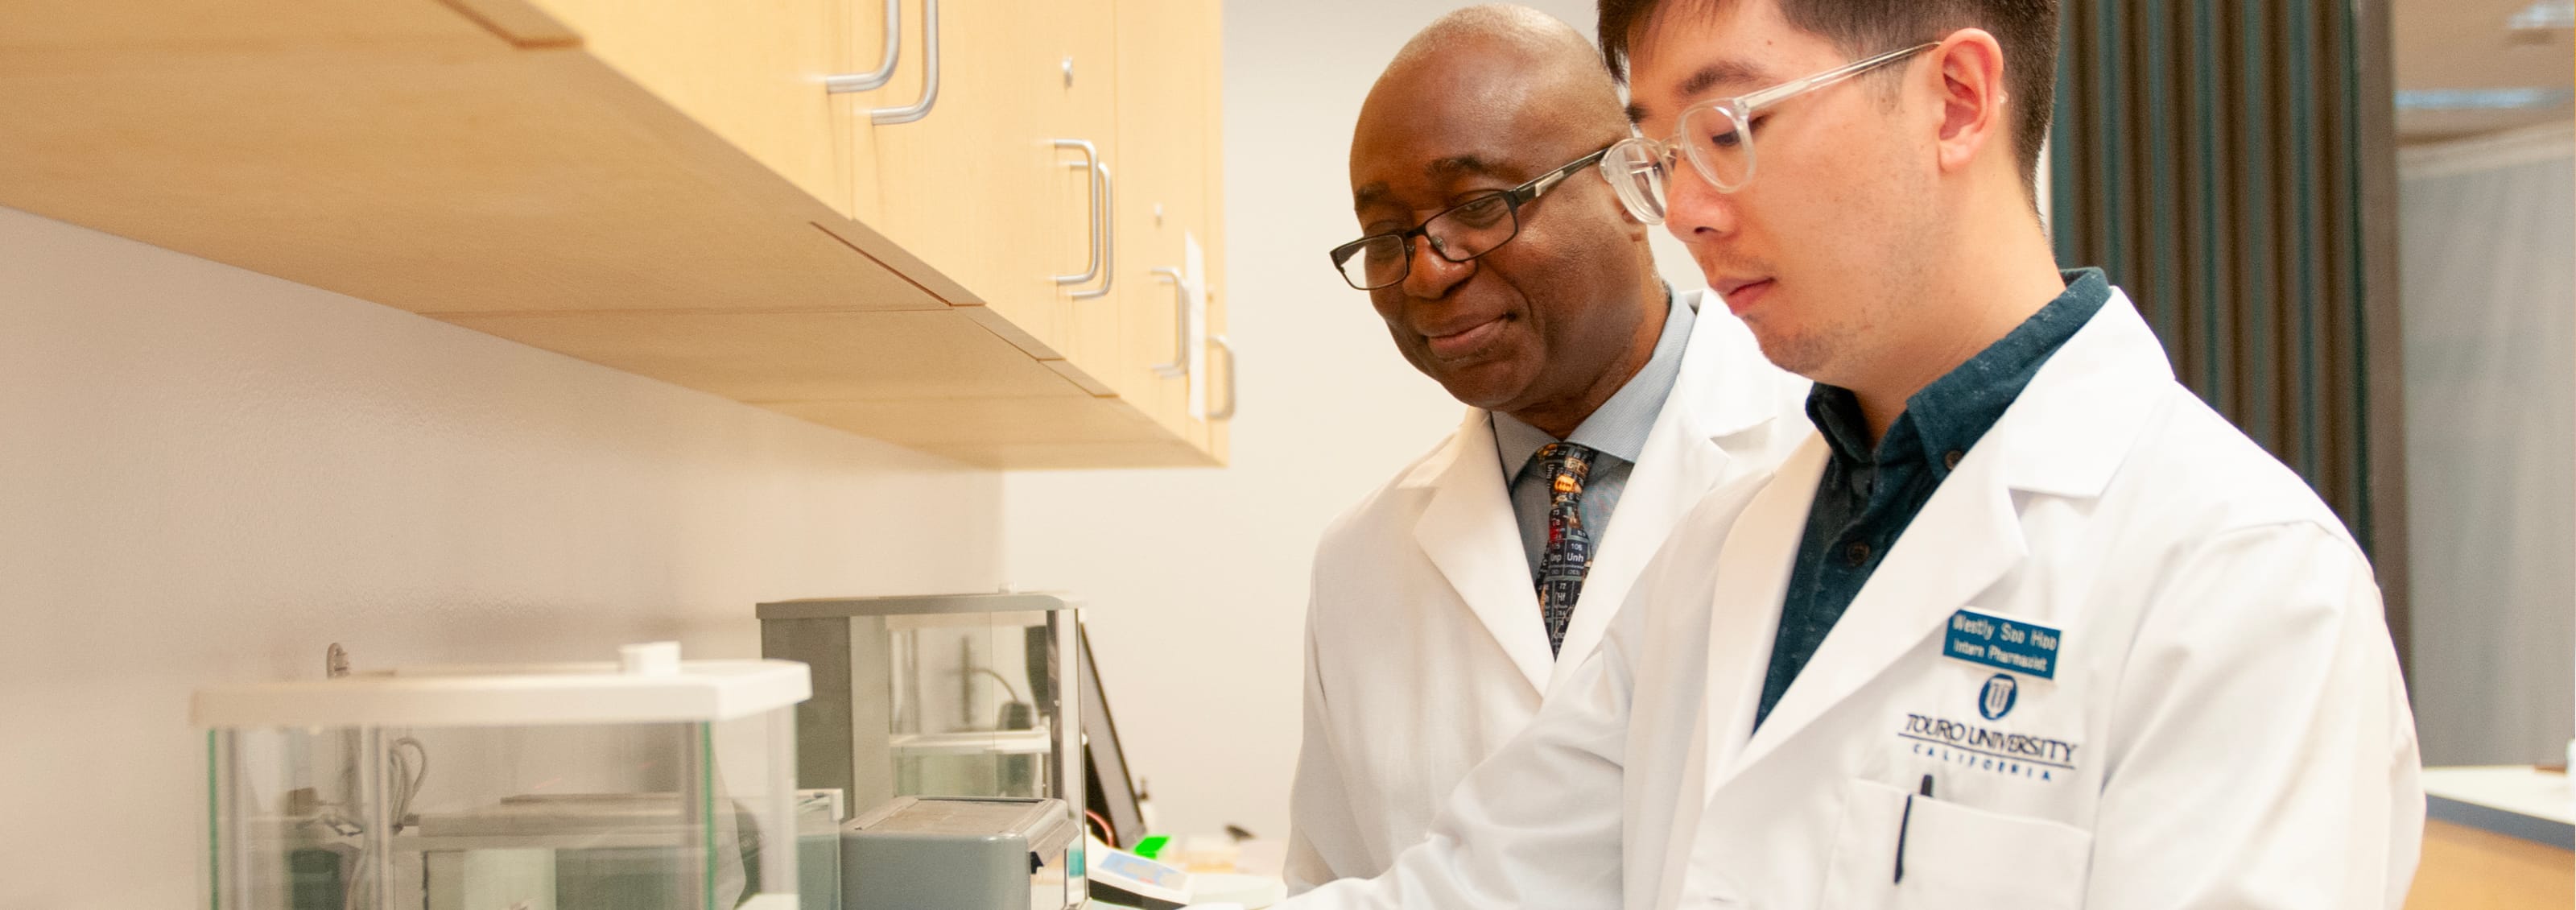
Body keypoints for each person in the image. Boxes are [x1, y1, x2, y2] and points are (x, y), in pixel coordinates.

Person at [1279, 0, 2424, 907]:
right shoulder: (1722, 556)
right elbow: (1477, 890)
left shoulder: (2244, 582)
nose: (1682, 211)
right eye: (1659, 151)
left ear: (1957, 99)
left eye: (1728, 128)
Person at [1286, 5, 1814, 892]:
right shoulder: (1358, 562)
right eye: (1386, 236)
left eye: (1480, 206)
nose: (1426, 270)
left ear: (1631, 183)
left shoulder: (1820, 461)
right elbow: (1331, 875)